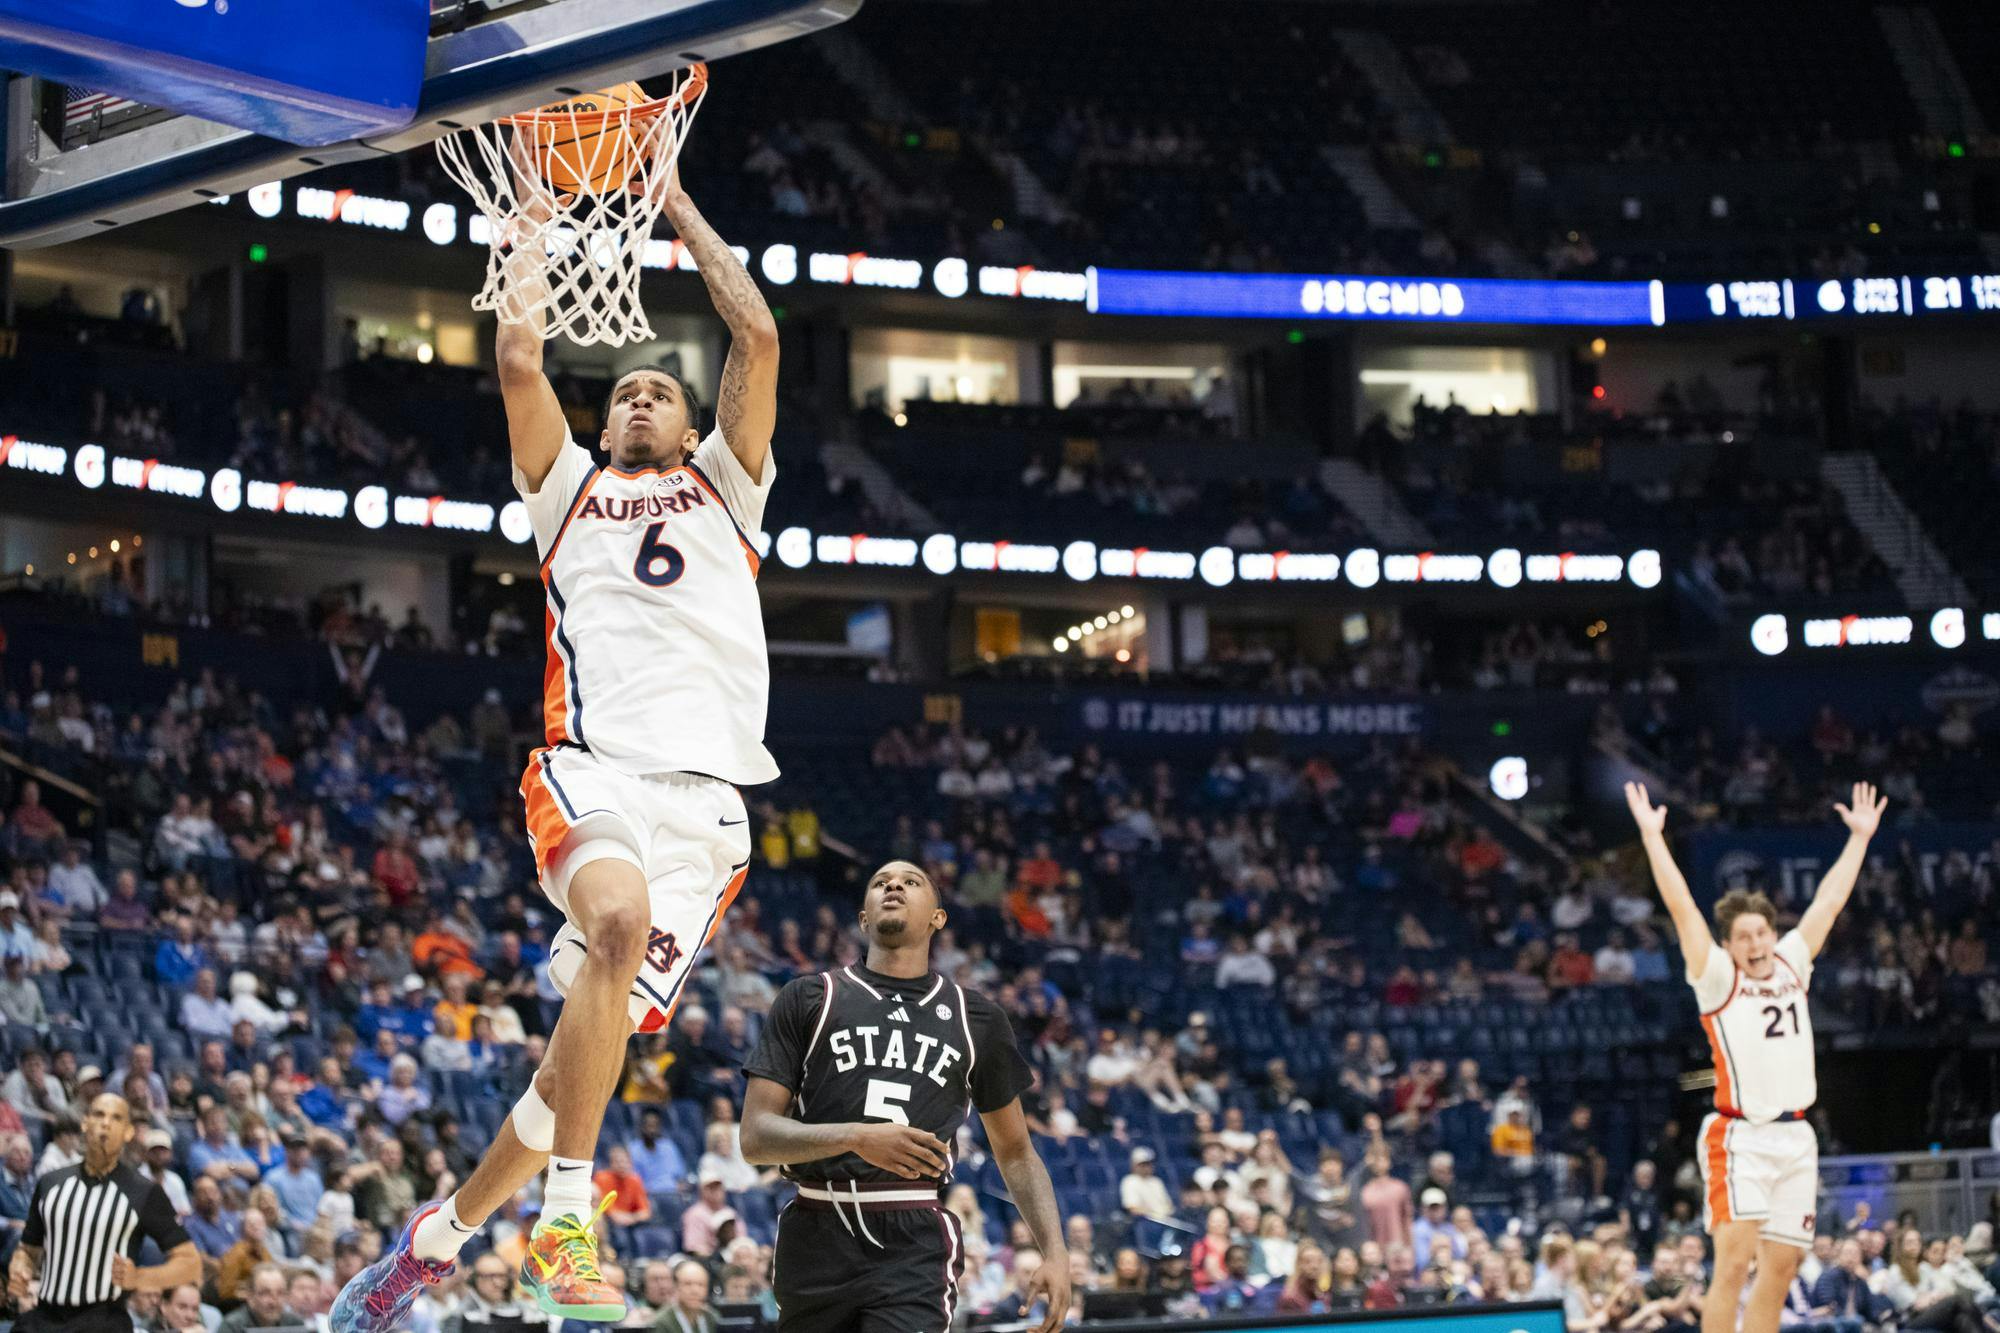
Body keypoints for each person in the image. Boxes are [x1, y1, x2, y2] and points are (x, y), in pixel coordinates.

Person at [332, 149, 783, 1332]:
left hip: (713, 815)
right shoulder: (567, 492)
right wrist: (532, 214)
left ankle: (437, 1239)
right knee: (617, 924)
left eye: (658, 391)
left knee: (564, 1077)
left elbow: (760, 342)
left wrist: (673, 197)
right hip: (589, 770)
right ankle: (564, 1231)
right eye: (623, 389)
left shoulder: (729, 492)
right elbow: (520, 356)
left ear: (690, 426)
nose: (637, 397)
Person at [738, 860, 1070, 1333]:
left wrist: (1055, 1253)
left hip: (913, 1235)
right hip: (814, 1228)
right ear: (863, 918)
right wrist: (857, 1137)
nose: (893, 885)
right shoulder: (811, 997)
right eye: (880, 883)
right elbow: (755, 1137)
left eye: (911, 882)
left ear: (938, 917)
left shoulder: (975, 1017)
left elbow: (1016, 1151)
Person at [1626, 781, 1886, 1333]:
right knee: (1735, 1260)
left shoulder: (1793, 961)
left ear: (1774, 933)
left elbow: (1829, 902)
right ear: (1728, 944)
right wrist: (1653, 837)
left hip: (1796, 1137)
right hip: (1739, 1136)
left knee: (1782, 1267)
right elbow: (1681, 907)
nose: (1756, 944)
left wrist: (1860, 838)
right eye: (1744, 936)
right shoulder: (1718, 977)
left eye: (1762, 933)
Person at [7, 1094, 200, 1332]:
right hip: (44, 1317)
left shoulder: (145, 1192)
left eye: (116, 1118)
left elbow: (190, 1263)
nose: (106, 1123)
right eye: (99, 1114)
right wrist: (20, 1267)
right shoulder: (50, 1183)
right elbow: (28, 1249)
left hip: (103, 1321)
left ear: (128, 1132)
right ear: (85, 1123)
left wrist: (139, 1278)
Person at [658, 1260, 719, 1333]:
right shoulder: (662, 1323)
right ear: (676, 1287)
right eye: (688, 1284)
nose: (695, 1291)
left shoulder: (712, 1317)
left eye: (701, 1285)